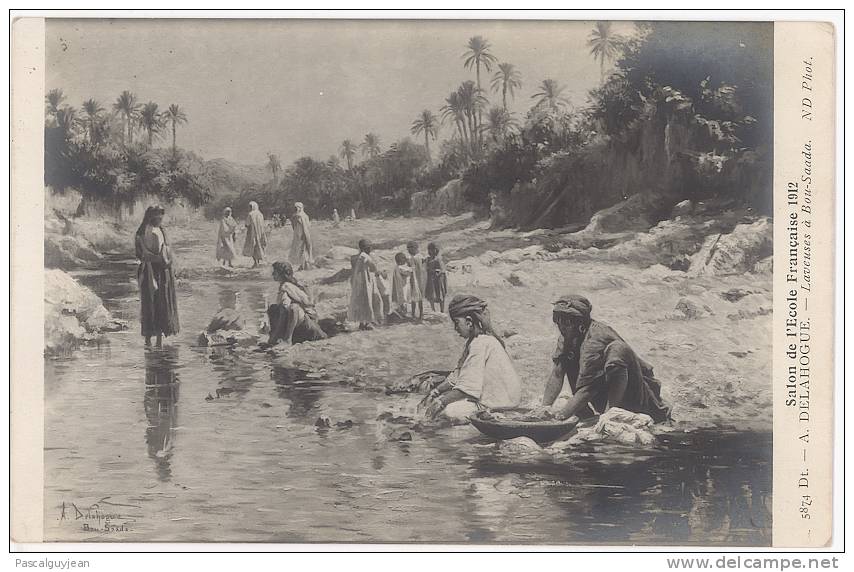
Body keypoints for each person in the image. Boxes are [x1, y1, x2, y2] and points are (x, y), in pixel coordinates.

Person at [541, 295, 671, 423]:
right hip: (601, 396)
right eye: (557, 319)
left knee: (618, 349)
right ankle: (584, 414)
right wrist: (544, 409)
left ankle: (610, 415)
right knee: (568, 356)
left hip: (636, 400)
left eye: (566, 321)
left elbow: (588, 389)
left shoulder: (596, 338)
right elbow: (558, 373)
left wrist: (560, 417)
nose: (561, 326)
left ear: (580, 323)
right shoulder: (568, 337)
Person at [423, 295, 522, 422]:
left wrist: (440, 402)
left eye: (457, 323)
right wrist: (436, 391)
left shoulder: (480, 343)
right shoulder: (475, 341)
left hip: (501, 404)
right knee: (448, 404)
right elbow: (457, 376)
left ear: (469, 322)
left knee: (449, 412)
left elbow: (468, 388)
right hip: (502, 400)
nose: (455, 328)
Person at [135, 205, 180, 347]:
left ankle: (148, 340)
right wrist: (165, 259)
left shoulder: (141, 231)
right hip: (159, 271)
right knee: (161, 303)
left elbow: (140, 255)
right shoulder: (156, 232)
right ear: (152, 216)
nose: (161, 219)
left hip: (146, 270)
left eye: (161, 216)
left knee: (149, 304)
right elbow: (162, 256)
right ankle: (159, 341)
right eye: (159, 216)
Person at [265, 261, 327, 346]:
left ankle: (287, 339)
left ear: (281, 274)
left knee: (292, 308)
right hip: (302, 318)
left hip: (307, 321)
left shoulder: (286, 286)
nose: (272, 274)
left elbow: (286, 307)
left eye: (274, 272)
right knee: (274, 308)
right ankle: (276, 337)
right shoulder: (289, 285)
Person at [347, 239, 382, 330]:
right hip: (366, 282)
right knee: (368, 301)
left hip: (358, 282)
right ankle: (367, 322)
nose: (371, 249)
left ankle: (362, 322)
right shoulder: (365, 256)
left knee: (361, 302)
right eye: (369, 247)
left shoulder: (355, 257)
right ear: (366, 248)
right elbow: (374, 267)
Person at [289, 202, 314, 271]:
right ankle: (302, 265)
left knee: (303, 248)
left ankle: (305, 265)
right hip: (298, 234)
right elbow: (293, 225)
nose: (297, 208)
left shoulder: (303, 216)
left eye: (298, 207)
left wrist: (305, 234)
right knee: (299, 249)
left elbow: (307, 226)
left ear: (301, 208)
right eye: (296, 207)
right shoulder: (296, 216)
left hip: (303, 234)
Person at [425, 242, 448, 312]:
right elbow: (425, 268)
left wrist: (437, 271)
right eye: (430, 249)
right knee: (431, 295)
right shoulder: (428, 259)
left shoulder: (438, 259)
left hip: (438, 280)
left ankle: (442, 310)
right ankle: (433, 310)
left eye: (433, 249)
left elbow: (443, 269)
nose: (431, 251)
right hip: (431, 279)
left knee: (440, 294)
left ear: (436, 250)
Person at [243, 201, 267, 268]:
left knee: (253, 246)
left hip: (252, 233)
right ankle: (257, 262)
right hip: (260, 232)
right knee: (258, 246)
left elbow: (247, 224)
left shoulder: (250, 214)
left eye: (250, 206)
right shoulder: (260, 214)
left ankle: (256, 262)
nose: (249, 208)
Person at [406, 241, 425, 321]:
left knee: (420, 298)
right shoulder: (410, 258)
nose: (409, 250)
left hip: (419, 279)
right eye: (408, 249)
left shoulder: (419, 257)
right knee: (413, 298)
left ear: (415, 248)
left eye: (411, 248)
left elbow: (422, 268)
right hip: (413, 280)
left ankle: (421, 314)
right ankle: (413, 314)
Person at [391, 252, 413, 316]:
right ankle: (403, 312)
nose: (405, 259)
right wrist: (411, 266)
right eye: (403, 258)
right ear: (400, 261)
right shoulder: (400, 267)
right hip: (403, 286)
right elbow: (408, 273)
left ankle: (402, 311)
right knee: (403, 299)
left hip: (401, 286)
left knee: (402, 300)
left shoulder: (397, 267)